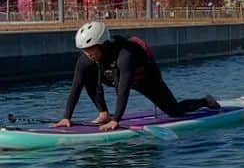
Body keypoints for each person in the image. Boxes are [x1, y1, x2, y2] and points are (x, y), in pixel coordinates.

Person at [53, 21, 220, 132]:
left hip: (145, 79)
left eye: (90, 49)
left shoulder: (126, 54)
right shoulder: (86, 59)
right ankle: (103, 112)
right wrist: (66, 117)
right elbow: (75, 88)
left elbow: (124, 89)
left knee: (174, 111)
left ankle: (205, 101)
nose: (87, 54)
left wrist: (116, 119)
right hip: (114, 76)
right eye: (84, 50)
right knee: (86, 75)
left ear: (102, 44)